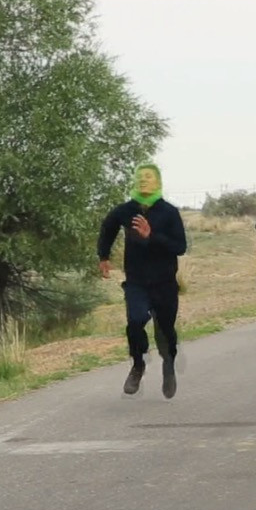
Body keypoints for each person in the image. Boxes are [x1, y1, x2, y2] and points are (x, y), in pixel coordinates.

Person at [97, 163, 187, 399]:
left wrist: (151, 236)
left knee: (165, 331)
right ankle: (138, 364)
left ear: (158, 181)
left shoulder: (169, 212)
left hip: (164, 282)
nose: (144, 180)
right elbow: (108, 227)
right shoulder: (126, 210)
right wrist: (103, 256)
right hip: (136, 281)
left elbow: (180, 246)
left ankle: (169, 365)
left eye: (149, 176)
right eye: (141, 176)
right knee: (135, 321)